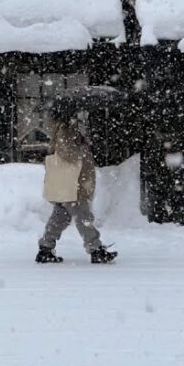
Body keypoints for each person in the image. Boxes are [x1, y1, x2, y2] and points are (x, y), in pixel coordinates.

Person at [37, 112, 117, 264]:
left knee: (60, 217)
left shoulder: (68, 129)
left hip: (69, 184)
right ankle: (95, 249)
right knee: (83, 217)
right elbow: (68, 153)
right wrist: (83, 147)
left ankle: (45, 248)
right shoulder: (66, 131)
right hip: (74, 184)